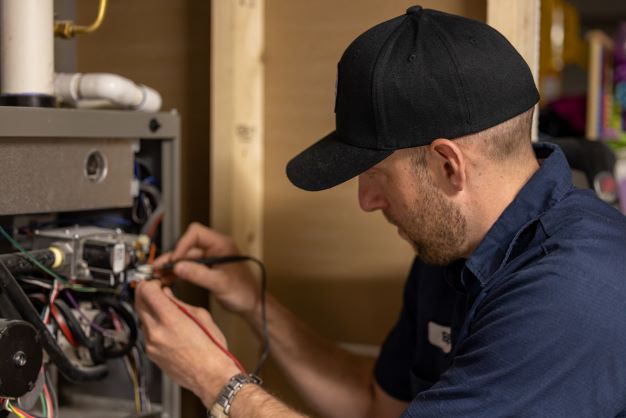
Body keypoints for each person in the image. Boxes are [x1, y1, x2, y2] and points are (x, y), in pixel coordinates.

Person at [135, 6, 626, 418]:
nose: (366, 200)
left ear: (446, 166)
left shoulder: (573, 292)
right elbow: (375, 403)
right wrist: (255, 303)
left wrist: (212, 378)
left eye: (375, 173)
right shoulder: (452, 245)